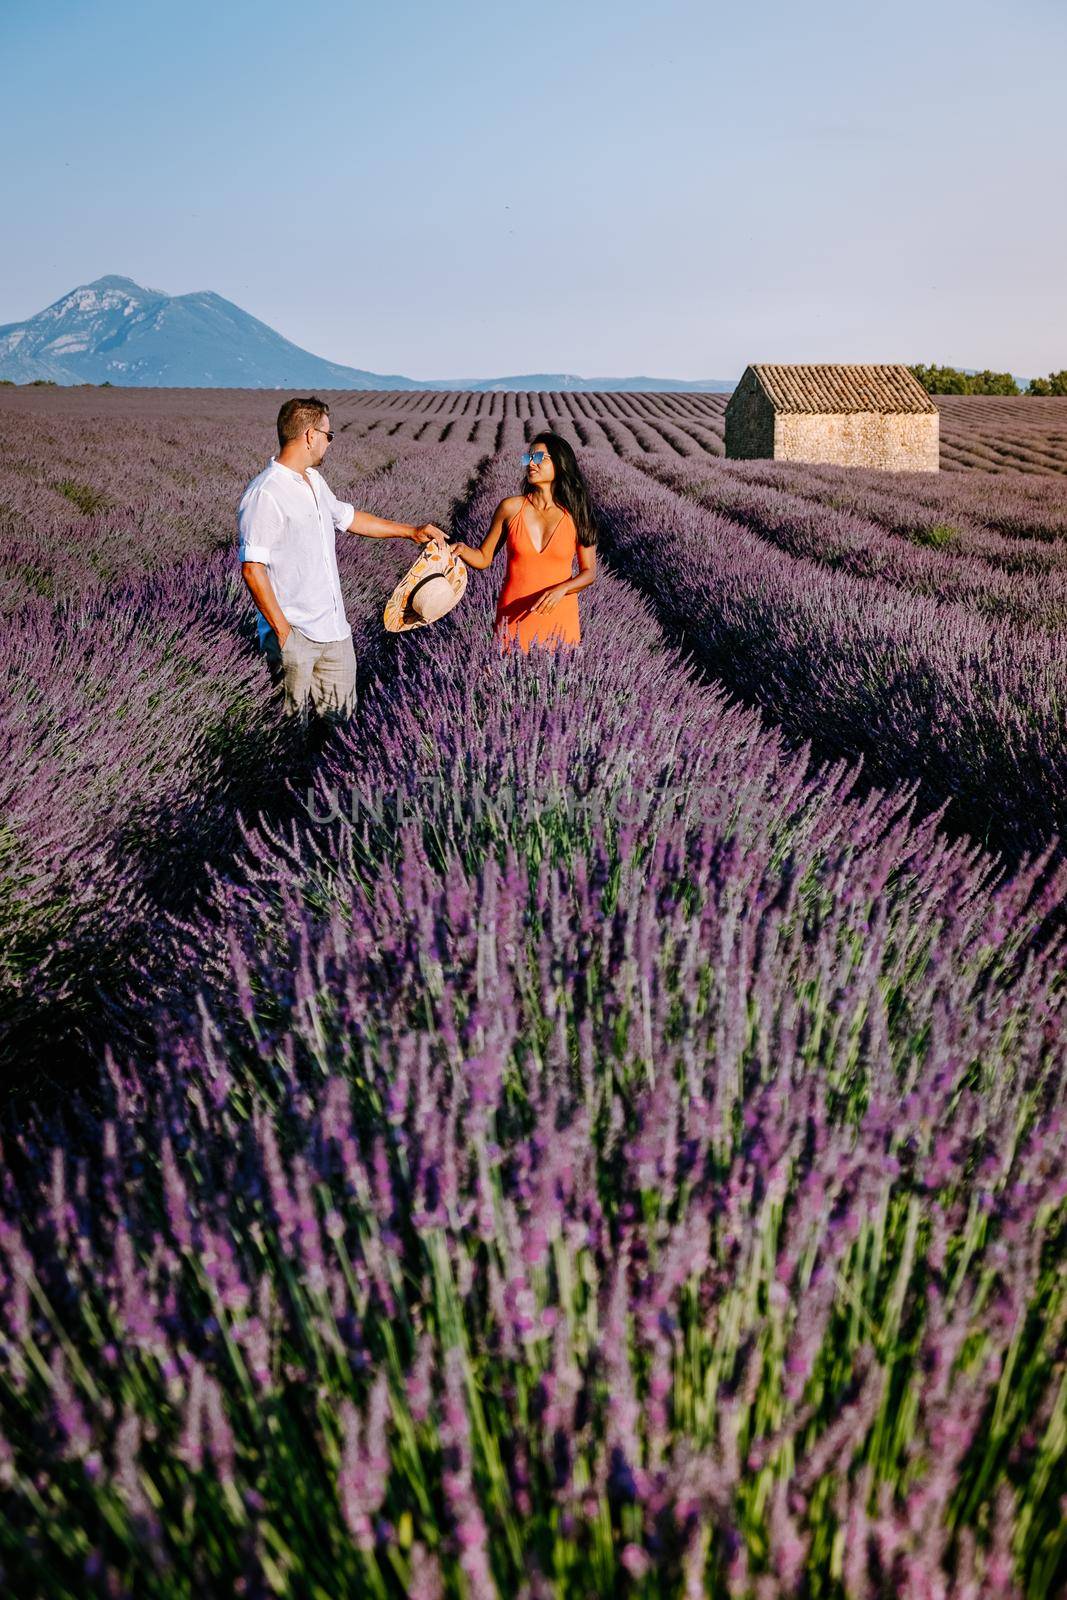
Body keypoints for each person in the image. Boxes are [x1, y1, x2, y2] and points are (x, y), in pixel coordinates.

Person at [238, 396, 445, 725]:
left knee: (341, 732)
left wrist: (411, 532)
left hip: (334, 633)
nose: (328, 444)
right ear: (310, 435)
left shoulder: (314, 482)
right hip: (297, 636)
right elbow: (252, 569)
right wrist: (283, 634)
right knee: (290, 734)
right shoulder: (266, 493)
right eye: (328, 436)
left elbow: (350, 519)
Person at [449, 431, 596, 652]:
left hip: (558, 615)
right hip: (514, 613)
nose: (530, 464)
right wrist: (462, 550)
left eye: (538, 458)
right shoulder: (510, 508)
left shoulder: (577, 515)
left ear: (560, 462)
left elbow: (589, 572)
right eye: (528, 458)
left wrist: (562, 589)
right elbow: (483, 558)